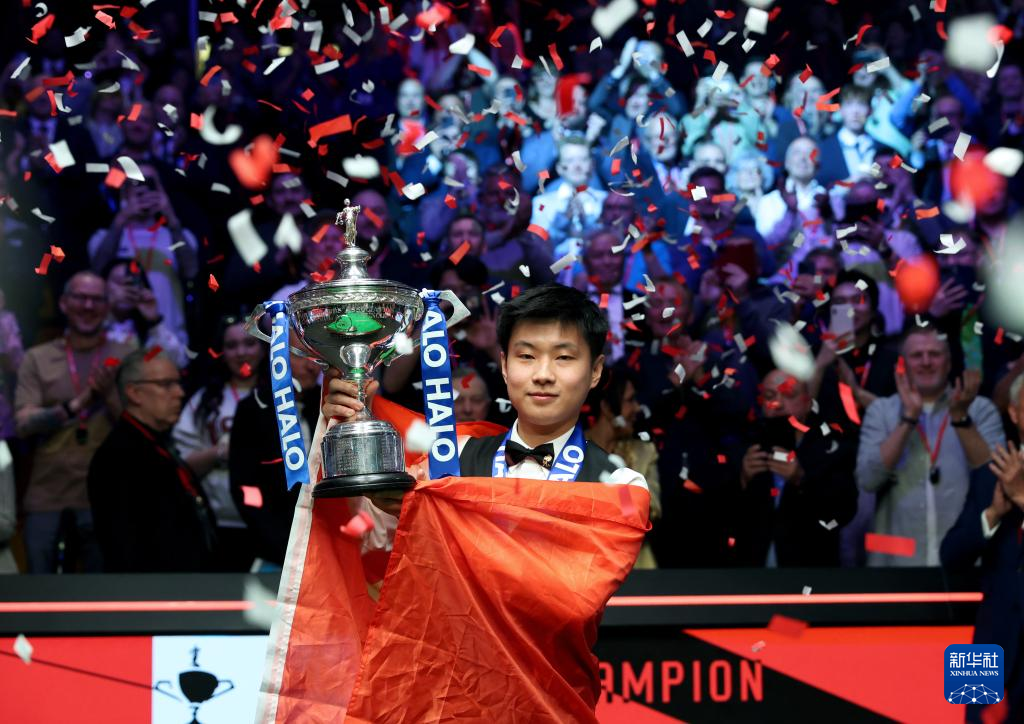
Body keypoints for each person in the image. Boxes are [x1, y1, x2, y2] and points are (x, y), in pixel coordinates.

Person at [323, 283, 650, 518]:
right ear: (505, 366)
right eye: (527, 356)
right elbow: (376, 539)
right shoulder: (448, 460)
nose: (543, 374)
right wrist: (354, 424)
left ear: (595, 371)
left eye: (563, 357)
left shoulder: (623, 486)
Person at [856, 325, 1004, 566]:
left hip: (964, 562)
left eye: (934, 354)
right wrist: (909, 418)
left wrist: (961, 418)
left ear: (949, 362)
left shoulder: (979, 409)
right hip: (897, 564)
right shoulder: (881, 411)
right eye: (917, 355)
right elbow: (868, 479)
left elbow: (994, 480)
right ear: (902, 364)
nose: (926, 362)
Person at [14, 272, 132, 573]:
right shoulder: (37, 358)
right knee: (40, 591)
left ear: (107, 306)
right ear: (64, 303)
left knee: (103, 592)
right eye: (80, 297)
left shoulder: (126, 354)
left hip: (106, 496)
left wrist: (110, 396)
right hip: (48, 494)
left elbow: (142, 430)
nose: (88, 306)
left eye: (97, 299)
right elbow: (23, 424)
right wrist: (77, 404)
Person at [941, 372, 1024, 723]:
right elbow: (950, 556)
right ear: (1014, 413)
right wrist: (991, 515)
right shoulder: (990, 473)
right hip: (986, 644)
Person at [88, 349, 216, 572]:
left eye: (178, 383)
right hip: (154, 587)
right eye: (166, 384)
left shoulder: (156, 443)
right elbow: (124, 546)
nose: (179, 393)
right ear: (134, 393)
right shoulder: (118, 458)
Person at [736, 369, 858, 566]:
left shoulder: (831, 449)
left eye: (789, 395)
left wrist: (802, 480)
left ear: (808, 402)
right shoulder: (749, 446)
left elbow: (844, 511)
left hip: (807, 573)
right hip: (752, 574)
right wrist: (742, 480)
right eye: (770, 396)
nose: (778, 404)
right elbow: (724, 518)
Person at [173, 318, 262, 571]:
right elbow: (181, 465)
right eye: (231, 346)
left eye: (249, 343)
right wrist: (222, 452)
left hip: (270, 523)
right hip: (217, 521)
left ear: (265, 348)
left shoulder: (282, 397)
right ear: (221, 352)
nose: (241, 352)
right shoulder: (204, 400)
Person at [228, 349, 321, 570]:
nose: (312, 366)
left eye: (317, 357)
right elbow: (246, 488)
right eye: (300, 356)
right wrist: (280, 542)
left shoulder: (326, 404)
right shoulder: (254, 409)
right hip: (274, 550)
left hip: (325, 542)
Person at [584, 362, 661, 568]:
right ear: (607, 408)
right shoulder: (572, 451)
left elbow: (649, 513)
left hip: (635, 567)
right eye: (630, 400)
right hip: (583, 565)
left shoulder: (643, 452)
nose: (636, 408)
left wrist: (622, 493)